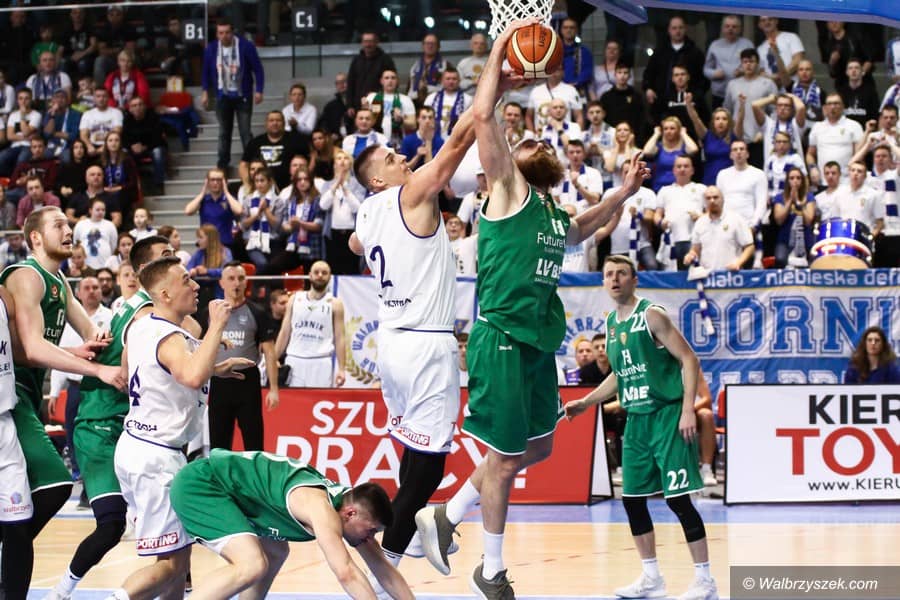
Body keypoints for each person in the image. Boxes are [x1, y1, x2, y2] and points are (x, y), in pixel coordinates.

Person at [413, 21, 650, 596]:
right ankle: (491, 569)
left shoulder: (550, 213)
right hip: (500, 337)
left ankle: (446, 513)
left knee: (539, 446)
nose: (536, 143)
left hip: (537, 344)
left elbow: (584, 226)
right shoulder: (507, 189)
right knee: (503, 458)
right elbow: (483, 113)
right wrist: (500, 48)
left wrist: (622, 193)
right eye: (527, 144)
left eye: (542, 144)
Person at [348, 21, 536, 590]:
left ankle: (402, 539)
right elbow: (458, 140)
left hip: (391, 343)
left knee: (412, 452)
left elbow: (356, 245)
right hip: (426, 344)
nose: (401, 157)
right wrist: (496, 75)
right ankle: (391, 565)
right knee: (429, 466)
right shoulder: (406, 194)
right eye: (390, 157)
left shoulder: (365, 215)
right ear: (377, 179)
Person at [49, 234, 206, 600]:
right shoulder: (147, 314)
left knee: (167, 546)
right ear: (146, 272)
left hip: (125, 427)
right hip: (105, 424)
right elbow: (189, 348)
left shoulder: (128, 307)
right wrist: (209, 336)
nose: (175, 263)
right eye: (165, 257)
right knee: (116, 528)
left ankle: (177, 581)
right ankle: (59, 593)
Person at [565, 254, 718, 600]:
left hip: (666, 416)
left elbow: (689, 359)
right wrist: (587, 402)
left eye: (621, 273)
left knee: (678, 500)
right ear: (603, 282)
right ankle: (651, 578)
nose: (614, 279)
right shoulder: (611, 324)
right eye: (609, 274)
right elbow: (619, 376)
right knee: (633, 501)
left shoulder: (651, 315)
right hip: (636, 422)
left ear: (634, 280)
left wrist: (687, 409)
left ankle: (705, 580)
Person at [108, 256, 253, 600]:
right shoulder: (170, 336)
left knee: (177, 556)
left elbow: (141, 368)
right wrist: (216, 325)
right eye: (186, 280)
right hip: (156, 454)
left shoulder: (142, 325)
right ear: (165, 294)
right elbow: (190, 375)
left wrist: (214, 368)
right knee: (172, 565)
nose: (196, 285)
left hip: (137, 446)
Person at [0, 206, 125, 598]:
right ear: (35, 237)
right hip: (11, 395)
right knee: (55, 484)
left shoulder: (59, 281)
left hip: (27, 392)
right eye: (59, 226)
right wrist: (98, 371)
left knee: (26, 506)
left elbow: (92, 333)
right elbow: (32, 348)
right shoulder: (26, 276)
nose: (68, 231)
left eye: (69, 225)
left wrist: (106, 340)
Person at [169, 449, 416, 599]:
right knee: (252, 564)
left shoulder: (348, 508)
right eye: (371, 531)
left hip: (229, 490)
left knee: (276, 550)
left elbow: (384, 570)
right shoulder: (321, 508)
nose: (371, 538)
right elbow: (346, 572)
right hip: (203, 485)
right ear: (350, 513)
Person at [205, 261, 279, 450]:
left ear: (246, 282)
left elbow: (270, 353)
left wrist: (274, 389)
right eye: (231, 278)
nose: (236, 283)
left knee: (254, 441)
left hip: (248, 381)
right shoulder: (210, 313)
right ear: (221, 283)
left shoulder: (258, 312)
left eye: (240, 278)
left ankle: (253, 470)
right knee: (218, 444)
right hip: (219, 381)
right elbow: (196, 345)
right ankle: (220, 471)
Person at [201, 20, 265, 172]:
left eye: (227, 32)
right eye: (221, 33)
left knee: (245, 131)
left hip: (242, 94)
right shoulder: (211, 48)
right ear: (217, 34)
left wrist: (259, 90)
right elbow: (205, 72)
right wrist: (205, 91)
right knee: (224, 131)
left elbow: (258, 69)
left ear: (233, 32)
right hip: (222, 95)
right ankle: (223, 164)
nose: (224, 36)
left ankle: (251, 161)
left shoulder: (245, 46)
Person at [274, 260, 345, 388]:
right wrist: (273, 358)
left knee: (320, 399)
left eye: (324, 273)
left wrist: (341, 369)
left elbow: (340, 338)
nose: (320, 275)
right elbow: (284, 332)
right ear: (310, 275)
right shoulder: (294, 299)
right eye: (316, 272)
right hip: (295, 360)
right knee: (294, 401)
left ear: (330, 277)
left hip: (321, 362)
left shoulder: (335, 304)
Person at [684, 185, 755, 271]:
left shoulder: (736, 219)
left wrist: (738, 263)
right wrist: (690, 255)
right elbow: (696, 249)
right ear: (704, 202)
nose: (712, 201)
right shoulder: (700, 223)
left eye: (715, 197)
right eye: (708, 198)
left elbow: (749, 247)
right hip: (706, 275)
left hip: (730, 274)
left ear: (723, 199)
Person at [241, 110, 310, 190]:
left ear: (284, 123)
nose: (275, 123)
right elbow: (243, 165)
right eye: (271, 120)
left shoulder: (296, 140)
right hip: (261, 189)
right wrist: (248, 184)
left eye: (278, 120)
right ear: (266, 124)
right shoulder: (255, 142)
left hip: (291, 189)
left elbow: (310, 159)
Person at [704, 16, 754, 110]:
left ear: (740, 29)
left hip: (741, 94)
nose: (730, 29)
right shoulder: (715, 45)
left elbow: (755, 66)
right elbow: (706, 69)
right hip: (719, 94)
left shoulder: (747, 44)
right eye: (727, 26)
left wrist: (743, 71)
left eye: (734, 27)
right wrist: (714, 73)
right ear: (722, 28)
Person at [346, 32, 396, 112]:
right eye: (365, 41)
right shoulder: (356, 60)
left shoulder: (386, 60)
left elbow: (393, 82)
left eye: (370, 41)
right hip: (358, 106)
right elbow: (351, 83)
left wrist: (376, 96)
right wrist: (350, 105)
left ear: (376, 42)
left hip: (379, 104)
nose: (368, 44)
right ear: (362, 43)